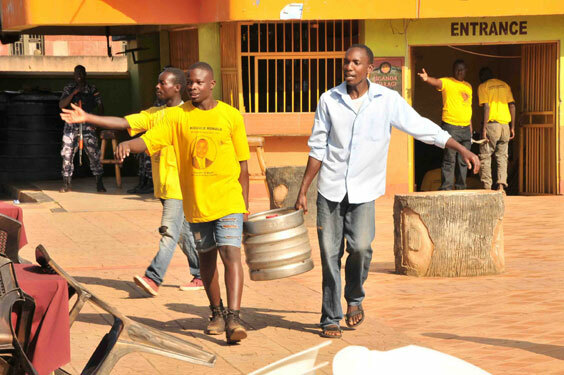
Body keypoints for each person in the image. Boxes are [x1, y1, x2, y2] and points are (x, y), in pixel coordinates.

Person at [295, 44, 480, 339]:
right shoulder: (329, 99)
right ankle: (330, 316)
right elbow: (318, 147)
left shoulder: (387, 100)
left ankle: (354, 297)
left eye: (356, 63)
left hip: (364, 190)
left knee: (360, 247)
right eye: (346, 62)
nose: (349, 67)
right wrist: (304, 189)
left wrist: (461, 148)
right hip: (330, 189)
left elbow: (422, 127)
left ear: (369, 69)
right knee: (330, 255)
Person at [111, 62, 249, 344]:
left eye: (199, 82)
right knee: (207, 261)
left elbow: (243, 166)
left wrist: (244, 206)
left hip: (228, 200)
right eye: (190, 83)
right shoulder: (177, 117)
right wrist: (129, 145)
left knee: (231, 254)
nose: (193, 87)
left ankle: (234, 317)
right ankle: (216, 313)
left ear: (212, 84)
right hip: (197, 203)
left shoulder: (231, 116)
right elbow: (149, 142)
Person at [60, 67, 203, 296]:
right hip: (164, 185)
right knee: (183, 233)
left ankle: (153, 278)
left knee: (168, 231)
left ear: (177, 87)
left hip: (180, 185)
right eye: (157, 82)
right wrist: (87, 117)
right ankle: (201, 274)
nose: (157, 86)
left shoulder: (189, 114)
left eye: (162, 83)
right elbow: (122, 122)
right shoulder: (154, 114)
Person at [418, 60, 473, 190]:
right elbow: (436, 82)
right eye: (457, 69)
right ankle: (447, 188)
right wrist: (427, 79)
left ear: (466, 71)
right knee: (450, 159)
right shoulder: (447, 82)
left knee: (463, 161)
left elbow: (468, 108)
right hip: (450, 126)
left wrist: (470, 127)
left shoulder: (468, 86)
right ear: (453, 71)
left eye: (462, 69)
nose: (460, 72)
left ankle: (461, 188)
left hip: (465, 128)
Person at [58, 65, 106, 193]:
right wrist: (74, 93)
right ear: (74, 75)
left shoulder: (91, 88)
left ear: (85, 75)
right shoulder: (69, 88)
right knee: (67, 153)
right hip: (71, 124)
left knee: (94, 153)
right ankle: (66, 183)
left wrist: (97, 122)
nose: (79, 76)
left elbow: (100, 105)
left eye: (81, 73)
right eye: (77, 74)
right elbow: (61, 104)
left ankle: (99, 183)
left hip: (87, 123)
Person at [477, 67, 516, 191]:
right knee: (502, 156)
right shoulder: (505, 85)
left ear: (482, 77)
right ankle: (501, 187)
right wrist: (512, 127)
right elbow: (512, 105)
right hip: (505, 126)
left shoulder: (483, 86)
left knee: (485, 155)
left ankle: (487, 187)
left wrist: (484, 128)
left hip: (492, 125)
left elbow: (487, 107)